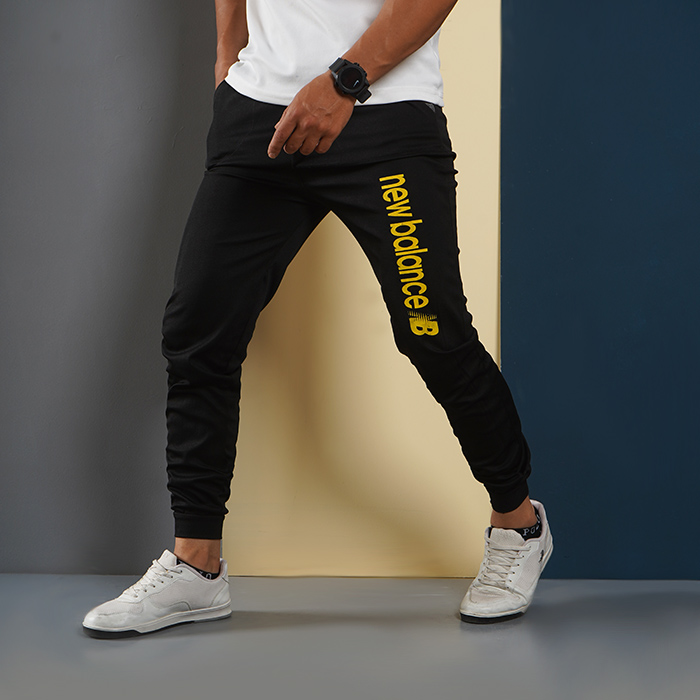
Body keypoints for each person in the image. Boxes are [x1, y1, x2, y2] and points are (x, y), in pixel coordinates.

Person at [82, 0, 553, 638]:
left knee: (432, 333)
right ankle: (197, 564)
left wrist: (343, 83)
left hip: (384, 119)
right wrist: (230, 61)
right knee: (198, 333)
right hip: (259, 115)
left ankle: (519, 526)